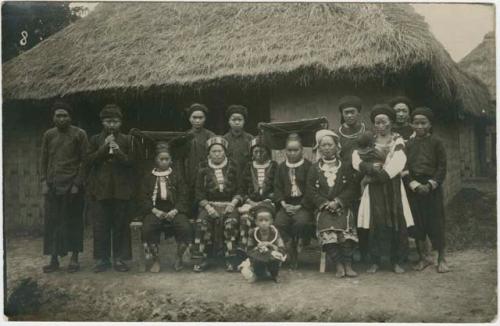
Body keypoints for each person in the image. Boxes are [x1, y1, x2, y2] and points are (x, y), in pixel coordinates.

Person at [352, 104, 414, 274]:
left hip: (391, 184)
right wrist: (370, 168)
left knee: (395, 220)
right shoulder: (368, 140)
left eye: (384, 122)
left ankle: (397, 260)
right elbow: (356, 158)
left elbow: (399, 161)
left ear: (390, 123)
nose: (380, 126)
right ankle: (376, 261)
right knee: (376, 220)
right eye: (377, 123)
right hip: (373, 189)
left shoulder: (398, 140)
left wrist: (382, 175)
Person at [86, 104, 141, 273]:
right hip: (101, 189)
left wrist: (118, 151)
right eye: (108, 121)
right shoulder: (95, 139)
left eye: (115, 121)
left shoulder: (127, 140)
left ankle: (119, 259)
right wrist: (104, 147)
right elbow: (89, 160)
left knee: (121, 224)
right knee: (101, 225)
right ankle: (103, 259)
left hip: (121, 189)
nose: (112, 125)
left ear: (121, 122)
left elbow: (132, 162)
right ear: (102, 122)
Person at [40, 101, 88, 273]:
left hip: (73, 187)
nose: (61, 119)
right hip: (53, 186)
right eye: (58, 115)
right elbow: (44, 159)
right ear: (53, 117)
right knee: (53, 223)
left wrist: (77, 183)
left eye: (65, 115)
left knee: (73, 222)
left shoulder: (79, 134)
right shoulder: (48, 135)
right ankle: (54, 259)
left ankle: (74, 259)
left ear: (70, 117)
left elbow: (84, 161)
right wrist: (44, 181)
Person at [307, 130, 359, 278]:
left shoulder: (346, 166)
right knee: (328, 230)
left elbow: (352, 188)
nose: (327, 148)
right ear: (319, 148)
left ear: (337, 147)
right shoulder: (314, 168)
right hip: (323, 209)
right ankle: (338, 264)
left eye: (330, 145)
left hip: (342, 207)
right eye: (323, 145)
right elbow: (310, 191)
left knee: (345, 231)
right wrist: (324, 203)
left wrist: (338, 201)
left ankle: (348, 264)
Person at [406, 107, 449, 273]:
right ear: (411, 124)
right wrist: (415, 185)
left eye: (423, 123)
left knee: (436, 222)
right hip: (415, 189)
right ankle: (423, 258)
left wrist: (431, 185)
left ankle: (441, 258)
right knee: (418, 223)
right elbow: (404, 167)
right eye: (415, 123)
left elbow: (442, 167)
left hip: (432, 189)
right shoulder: (408, 145)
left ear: (430, 124)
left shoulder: (437, 143)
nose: (419, 126)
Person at [192, 136, 242, 272]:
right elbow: (199, 192)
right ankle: (201, 260)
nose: (217, 154)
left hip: (230, 204)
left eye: (220, 151)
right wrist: (208, 207)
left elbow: (240, 189)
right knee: (202, 223)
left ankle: (230, 260)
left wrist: (233, 204)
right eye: (213, 151)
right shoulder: (202, 167)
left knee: (231, 223)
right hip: (209, 205)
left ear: (224, 151)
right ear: (209, 153)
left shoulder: (234, 165)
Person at [139, 142, 191, 272]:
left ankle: (179, 257)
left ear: (171, 161)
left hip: (174, 209)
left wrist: (175, 210)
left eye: (166, 159)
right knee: (148, 228)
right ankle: (156, 259)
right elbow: (143, 197)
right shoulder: (148, 177)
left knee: (185, 227)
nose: (164, 162)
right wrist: (155, 211)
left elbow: (184, 195)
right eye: (161, 159)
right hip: (155, 209)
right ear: (156, 160)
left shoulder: (177, 176)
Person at [273, 133, 313, 269]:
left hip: (303, 204)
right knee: (279, 223)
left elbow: (311, 189)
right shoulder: (281, 167)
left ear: (302, 150)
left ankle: (299, 242)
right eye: (289, 150)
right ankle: (290, 247)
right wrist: (283, 204)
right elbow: (277, 187)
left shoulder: (309, 167)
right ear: (285, 151)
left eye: (296, 150)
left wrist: (301, 206)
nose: (292, 153)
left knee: (301, 222)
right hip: (286, 204)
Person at [238, 136, 277, 249]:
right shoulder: (248, 167)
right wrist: (249, 201)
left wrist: (267, 201)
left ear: (268, 152)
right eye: (256, 151)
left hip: (268, 203)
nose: (259, 155)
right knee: (245, 219)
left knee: (263, 217)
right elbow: (241, 188)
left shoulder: (274, 166)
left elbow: (278, 187)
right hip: (250, 202)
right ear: (251, 153)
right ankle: (246, 249)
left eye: (262, 151)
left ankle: (268, 249)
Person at [184, 103, 216, 214]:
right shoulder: (185, 136)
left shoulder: (210, 136)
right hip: (189, 173)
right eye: (194, 117)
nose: (197, 120)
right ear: (189, 119)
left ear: (205, 119)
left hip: (206, 174)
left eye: (200, 118)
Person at [243, 201, 286, 283]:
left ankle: (275, 274)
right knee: (254, 258)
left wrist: (270, 245)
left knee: (276, 257)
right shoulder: (253, 233)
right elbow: (249, 250)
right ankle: (257, 273)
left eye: (266, 220)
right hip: (259, 255)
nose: (263, 223)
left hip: (272, 254)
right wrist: (257, 247)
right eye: (260, 220)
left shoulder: (275, 232)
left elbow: (282, 249)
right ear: (256, 222)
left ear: (271, 221)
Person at [223, 104, 254, 175]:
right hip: (229, 176)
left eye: (240, 120)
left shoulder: (250, 139)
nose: (237, 122)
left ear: (244, 121)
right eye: (234, 120)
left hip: (247, 175)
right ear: (229, 121)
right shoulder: (224, 140)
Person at [336, 96, 366, 165]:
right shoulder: (337, 135)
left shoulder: (367, 132)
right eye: (346, 112)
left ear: (358, 113)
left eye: (352, 112)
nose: (349, 115)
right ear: (342, 114)